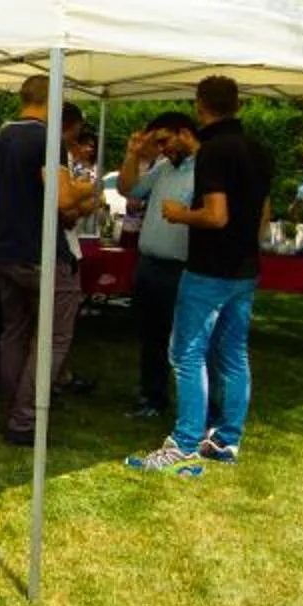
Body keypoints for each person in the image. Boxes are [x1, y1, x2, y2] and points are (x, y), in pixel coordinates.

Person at [131, 75, 276, 476]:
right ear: (238, 104)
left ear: (199, 106)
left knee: (186, 353)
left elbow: (215, 215)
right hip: (245, 269)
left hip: (209, 268)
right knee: (233, 354)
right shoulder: (260, 151)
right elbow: (262, 215)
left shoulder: (214, 151)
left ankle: (185, 441)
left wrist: (180, 215)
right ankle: (227, 439)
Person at [0, 81, 99, 446]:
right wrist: (85, 188)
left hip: (5, 249)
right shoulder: (47, 140)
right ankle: (25, 418)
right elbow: (63, 199)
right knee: (53, 337)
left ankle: (13, 409)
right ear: (54, 100)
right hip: (42, 253)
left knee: (14, 332)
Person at [117, 112, 201, 420]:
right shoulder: (165, 168)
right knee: (150, 335)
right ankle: (152, 397)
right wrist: (132, 155)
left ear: (185, 133)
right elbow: (130, 189)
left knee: (182, 340)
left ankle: (193, 408)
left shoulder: (206, 171)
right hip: (149, 264)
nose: (162, 149)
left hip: (181, 268)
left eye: (165, 141)